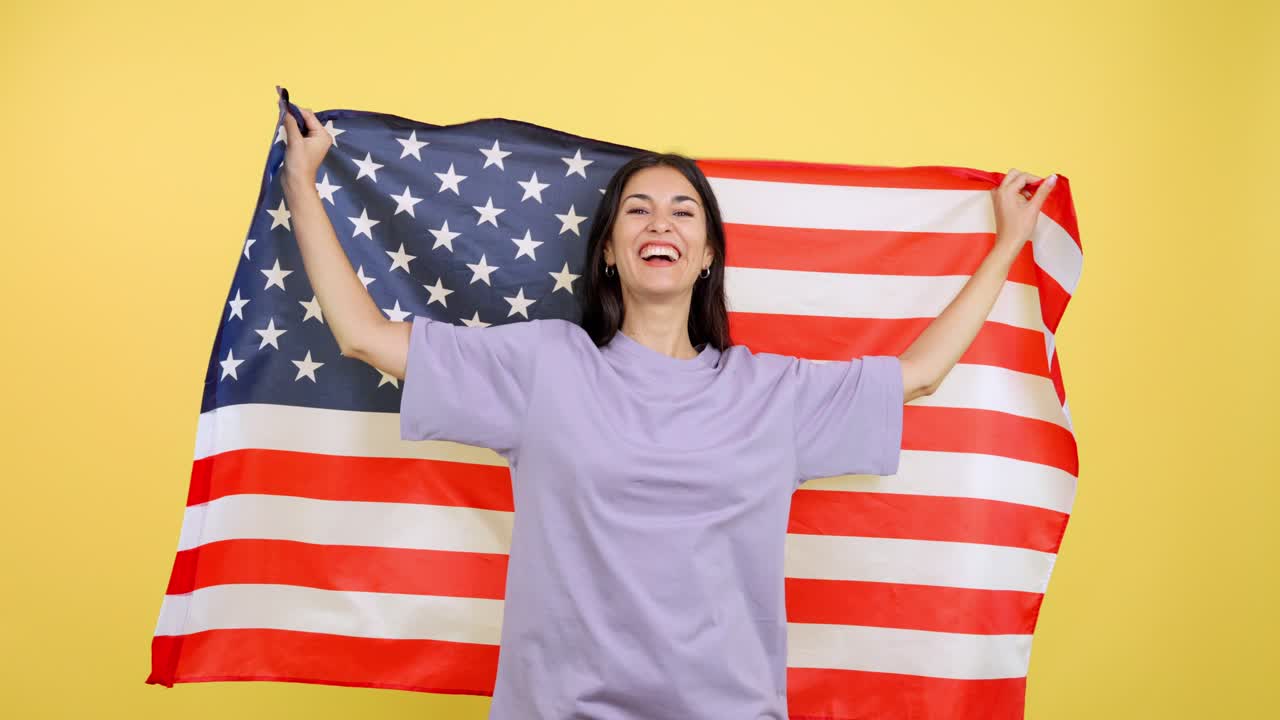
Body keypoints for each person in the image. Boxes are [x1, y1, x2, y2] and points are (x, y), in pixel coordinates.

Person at [280, 106, 1057, 719]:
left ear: (710, 252)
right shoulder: (544, 365)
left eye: (684, 212)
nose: (661, 223)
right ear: (610, 251)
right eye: (639, 211)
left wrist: (1007, 242)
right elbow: (363, 336)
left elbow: (918, 375)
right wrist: (302, 187)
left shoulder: (770, 393)